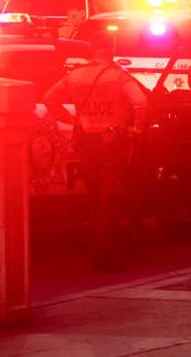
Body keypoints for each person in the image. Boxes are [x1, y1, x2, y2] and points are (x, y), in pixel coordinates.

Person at [44, 31, 148, 272]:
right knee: (109, 199)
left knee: (94, 197)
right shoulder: (118, 77)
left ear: (91, 50)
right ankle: (103, 254)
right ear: (110, 49)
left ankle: (100, 248)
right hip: (111, 143)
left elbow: (49, 98)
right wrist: (135, 130)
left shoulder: (75, 76)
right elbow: (141, 102)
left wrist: (72, 121)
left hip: (86, 142)